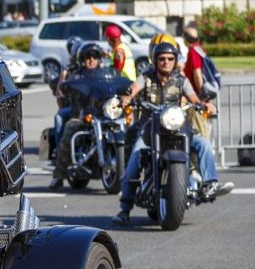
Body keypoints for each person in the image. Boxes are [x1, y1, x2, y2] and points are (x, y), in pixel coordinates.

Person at [112, 43, 231, 226]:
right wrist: (127, 99)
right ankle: (125, 209)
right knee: (136, 157)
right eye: (161, 59)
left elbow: (193, 98)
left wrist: (203, 104)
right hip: (150, 128)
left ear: (175, 61)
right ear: (155, 60)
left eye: (170, 59)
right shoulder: (146, 78)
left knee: (202, 144)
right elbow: (134, 90)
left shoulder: (181, 80)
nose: (166, 62)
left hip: (176, 126)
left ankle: (210, 183)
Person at [49, 42, 106, 190]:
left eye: (95, 57)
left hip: (104, 117)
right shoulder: (76, 75)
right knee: (69, 130)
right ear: (82, 59)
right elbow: (61, 92)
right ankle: (58, 176)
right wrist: (64, 82)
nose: (91, 60)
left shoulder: (107, 74)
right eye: (88, 57)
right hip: (81, 115)